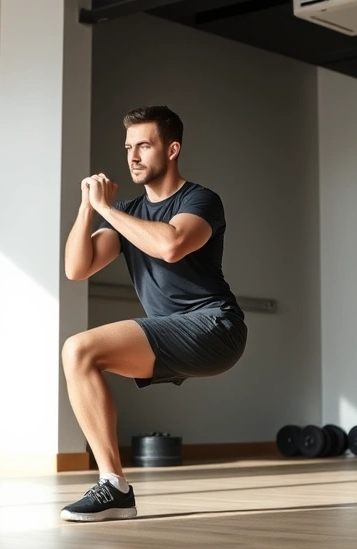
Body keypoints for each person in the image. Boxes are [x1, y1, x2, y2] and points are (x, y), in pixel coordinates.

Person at [59, 105, 248, 522]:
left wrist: (108, 210)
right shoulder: (128, 212)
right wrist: (87, 208)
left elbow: (170, 245)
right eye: (128, 147)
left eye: (144, 145)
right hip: (174, 329)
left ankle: (113, 487)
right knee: (79, 354)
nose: (133, 156)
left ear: (172, 148)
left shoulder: (200, 199)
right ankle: (114, 487)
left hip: (215, 326)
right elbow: (77, 268)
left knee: (78, 348)